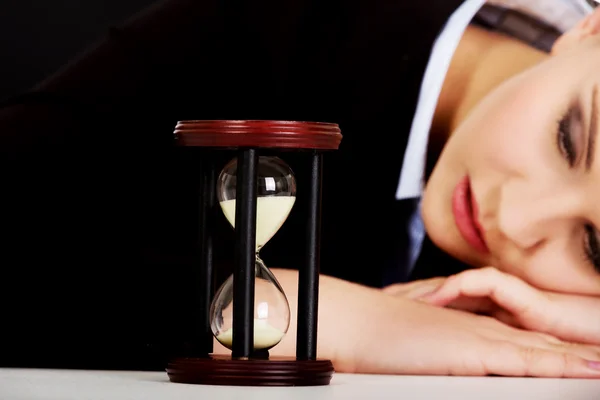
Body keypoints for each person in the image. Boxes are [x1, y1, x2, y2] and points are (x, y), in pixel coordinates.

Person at [1, 0, 599, 378]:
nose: (518, 219)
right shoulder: (277, 20)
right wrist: (285, 313)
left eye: (595, 248)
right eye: (568, 139)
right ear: (588, 30)